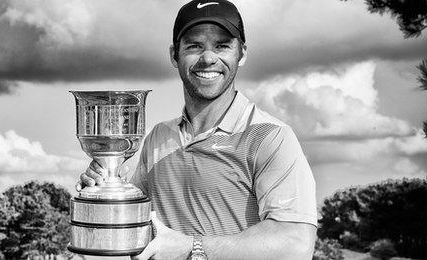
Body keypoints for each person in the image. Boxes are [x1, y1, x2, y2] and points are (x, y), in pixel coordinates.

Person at [78, 0, 317, 259]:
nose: (208, 58)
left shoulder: (271, 138)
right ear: (174, 55)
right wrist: (104, 185)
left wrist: (191, 248)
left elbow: (296, 244)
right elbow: (137, 226)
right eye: (194, 45)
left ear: (242, 53)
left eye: (222, 45)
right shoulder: (159, 137)